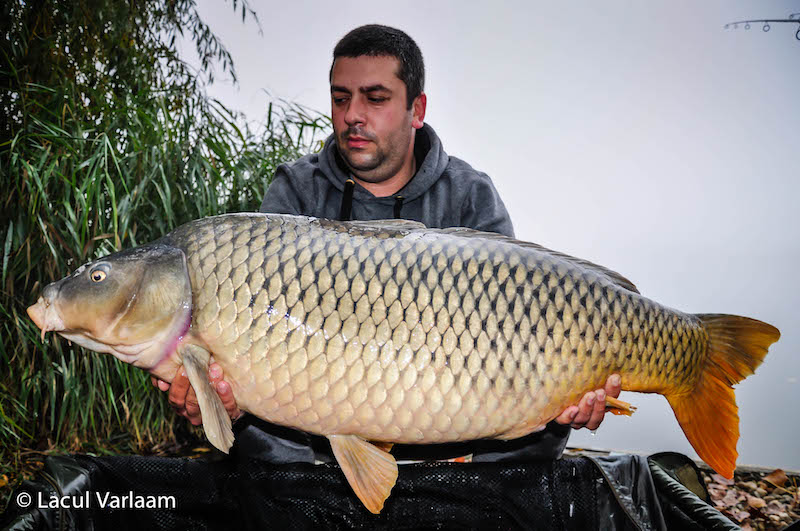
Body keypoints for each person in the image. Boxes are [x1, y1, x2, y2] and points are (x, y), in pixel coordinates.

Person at [153, 24, 621, 462]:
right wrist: (222, 403)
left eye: (375, 98)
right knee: (264, 449)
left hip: (453, 436)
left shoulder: (469, 195)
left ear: (417, 110)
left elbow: (508, 334)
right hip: (314, 443)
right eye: (341, 99)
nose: (352, 115)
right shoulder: (297, 192)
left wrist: (566, 397)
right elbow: (261, 359)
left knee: (537, 436)